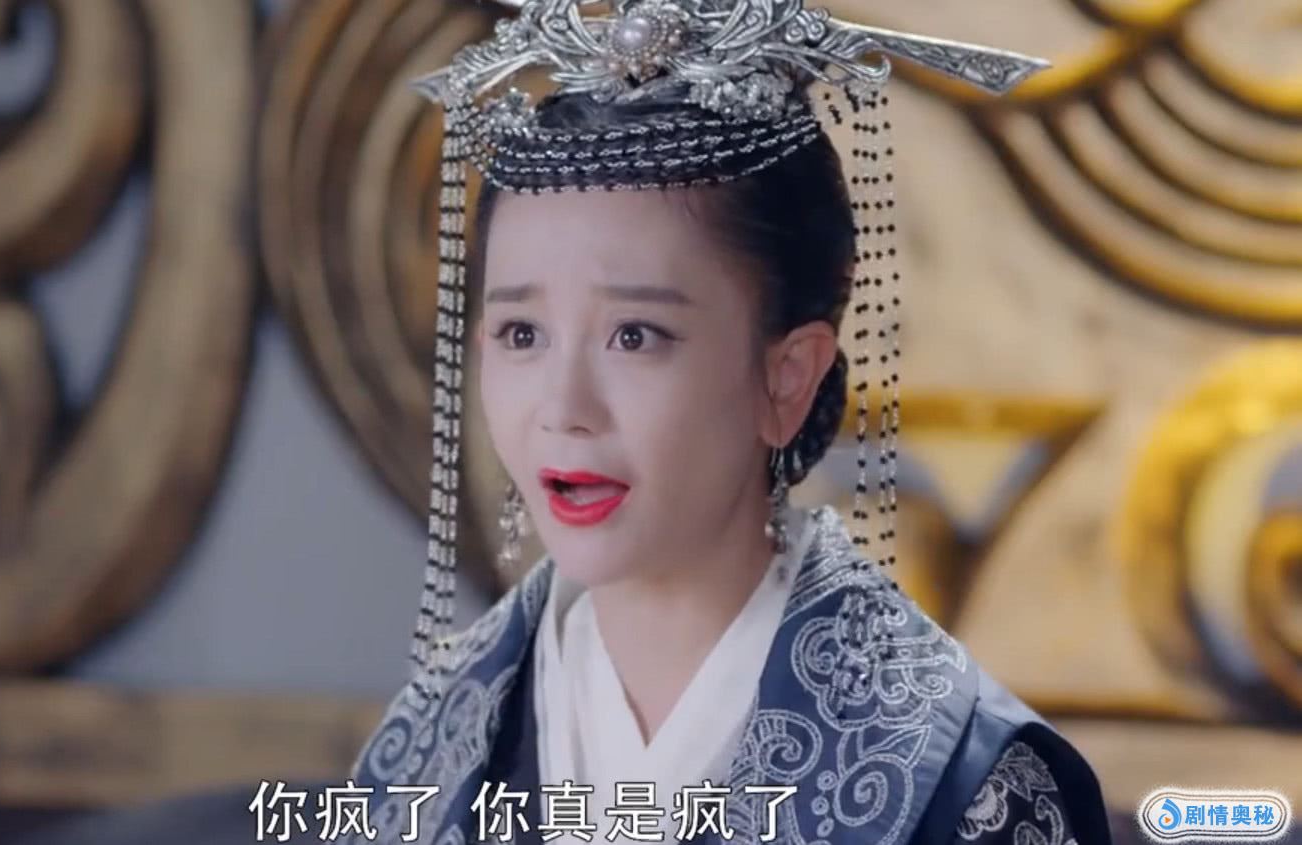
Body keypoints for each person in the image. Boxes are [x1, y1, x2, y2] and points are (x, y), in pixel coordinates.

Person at [345, 2, 1113, 843]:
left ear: (786, 378)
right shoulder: (424, 755)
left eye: (635, 336)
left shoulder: (974, 787)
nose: (562, 410)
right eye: (521, 334)